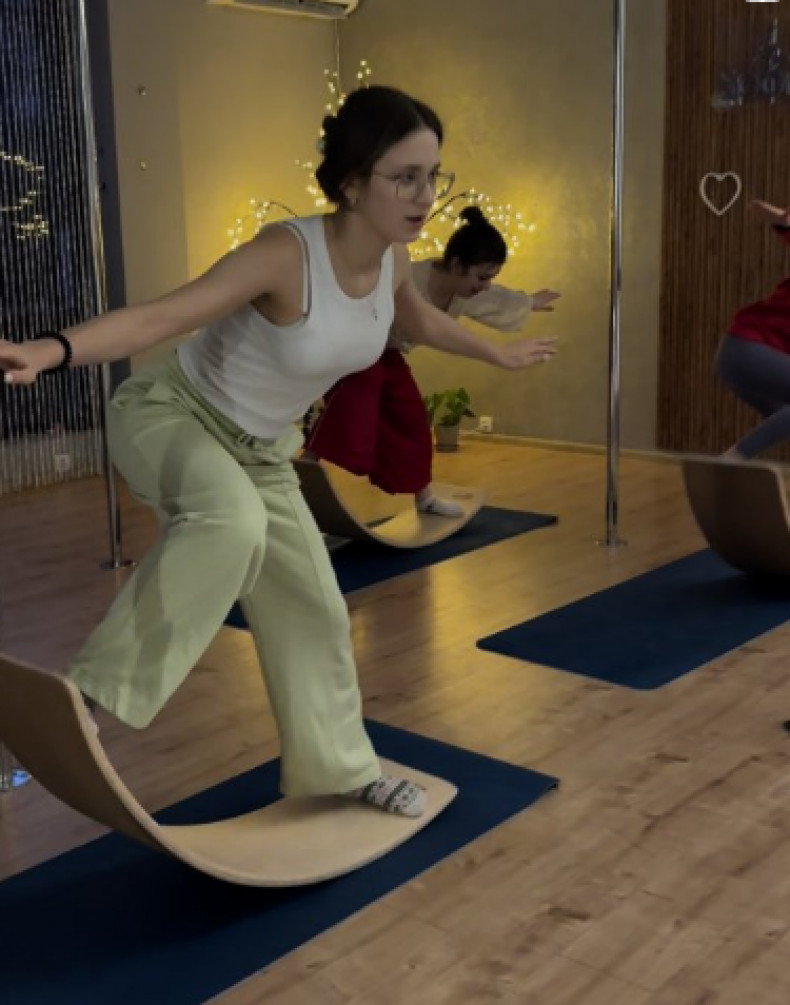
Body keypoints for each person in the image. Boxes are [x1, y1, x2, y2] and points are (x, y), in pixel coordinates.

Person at [0, 86, 556, 818]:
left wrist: (498, 353)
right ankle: (86, 700)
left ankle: (341, 768)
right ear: (352, 183)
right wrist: (50, 350)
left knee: (314, 606)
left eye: (432, 176)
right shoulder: (284, 255)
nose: (425, 196)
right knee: (229, 523)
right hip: (174, 416)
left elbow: (419, 319)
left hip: (260, 450)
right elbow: (162, 316)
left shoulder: (394, 260)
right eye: (405, 177)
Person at [304, 205, 559, 516]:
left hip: (387, 353)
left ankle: (423, 496)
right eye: (481, 277)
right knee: (360, 393)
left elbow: (497, 298)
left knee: (412, 417)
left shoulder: (465, 294)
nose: (485, 286)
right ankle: (309, 460)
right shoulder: (410, 275)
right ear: (456, 264)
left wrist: (529, 302)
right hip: (352, 345)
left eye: (489, 278)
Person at [716, 198, 790, 459]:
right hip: (750, 351)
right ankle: (729, 461)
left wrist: (781, 220)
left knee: (783, 418)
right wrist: (782, 219)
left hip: (735, 354)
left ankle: (734, 464)